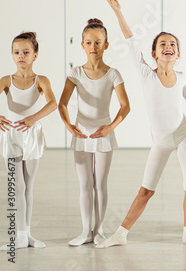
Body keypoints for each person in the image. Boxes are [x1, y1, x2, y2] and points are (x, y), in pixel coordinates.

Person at [97, 0, 186, 249]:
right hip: (160, 141)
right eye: (162, 44)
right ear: (154, 53)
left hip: (183, 135)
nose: (167, 46)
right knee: (146, 190)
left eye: (172, 44)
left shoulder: (181, 77)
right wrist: (118, 11)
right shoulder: (146, 73)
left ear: (178, 53)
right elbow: (130, 42)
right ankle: (121, 233)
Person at [59, 19, 130, 246]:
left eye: (98, 42)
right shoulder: (76, 73)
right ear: (82, 45)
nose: (93, 47)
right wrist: (70, 126)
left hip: (103, 135)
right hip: (81, 134)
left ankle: (98, 231)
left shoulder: (113, 74)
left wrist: (110, 127)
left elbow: (125, 105)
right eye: (89, 42)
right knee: (84, 185)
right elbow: (62, 104)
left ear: (106, 45)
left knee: (100, 183)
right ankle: (84, 231)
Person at [0, 32, 57, 249]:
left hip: (31, 135)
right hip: (11, 135)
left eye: (26, 52)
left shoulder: (41, 80)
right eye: (16, 52)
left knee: (28, 186)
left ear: (35, 55)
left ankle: (27, 234)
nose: (21, 56)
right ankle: (20, 236)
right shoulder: (7, 81)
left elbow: (53, 103)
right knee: (17, 185)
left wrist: (33, 118)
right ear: (12, 55)